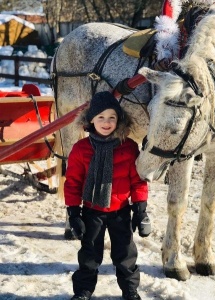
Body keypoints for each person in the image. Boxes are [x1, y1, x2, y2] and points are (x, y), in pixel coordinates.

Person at [64, 91, 151, 300]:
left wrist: (140, 209)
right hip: (92, 211)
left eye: (112, 117)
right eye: (101, 117)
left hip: (121, 211)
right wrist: (74, 214)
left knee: (126, 255)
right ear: (91, 120)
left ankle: (130, 290)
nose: (106, 122)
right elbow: (73, 183)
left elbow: (138, 180)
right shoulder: (81, 149)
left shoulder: (129, 147)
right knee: (89, 255)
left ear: (118, 120)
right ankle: (84, 291)